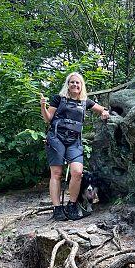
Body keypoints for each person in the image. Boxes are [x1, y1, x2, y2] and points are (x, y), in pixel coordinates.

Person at [40, 72, 110, 221]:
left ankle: (72, 206)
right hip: (56, 138)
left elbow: (102, 109)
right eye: (72, 82)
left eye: (78, 83)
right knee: (57, 173)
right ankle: (57, 209)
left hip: (74, 141)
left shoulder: (86, 101)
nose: (75, 85)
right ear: (68, 84)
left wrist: (104, 113)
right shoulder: (58, 99)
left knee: (77, 172)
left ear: (81, 85)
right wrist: (43, 106)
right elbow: (48, 119)